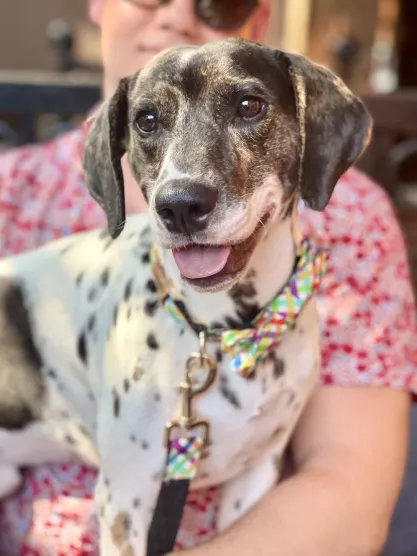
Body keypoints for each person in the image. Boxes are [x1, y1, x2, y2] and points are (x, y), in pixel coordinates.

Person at [0, 1, 416, 554]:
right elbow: (122, 514)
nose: (175, 15)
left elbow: (339, 489)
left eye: (247, 106)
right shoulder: (16, 191)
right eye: (149, 121)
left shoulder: (352, 227)